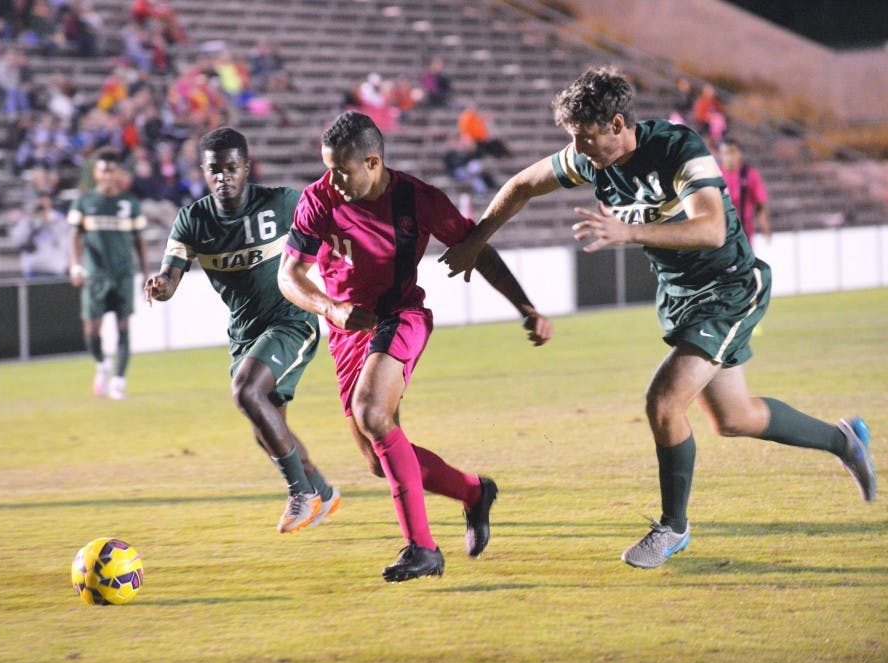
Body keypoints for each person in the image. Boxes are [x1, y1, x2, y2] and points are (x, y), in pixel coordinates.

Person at [439, 66, 876, 569]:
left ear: (618, 124)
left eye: (585, 139)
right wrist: (477, 240)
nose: (578, 151)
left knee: (664, 402)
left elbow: (711, 228)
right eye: (573, 140)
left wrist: (629, 234)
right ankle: (844, 440)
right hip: (682, 295)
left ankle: (673, 528)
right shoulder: (592, 159)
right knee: (734, 418)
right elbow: (521, 184)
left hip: (728, 286)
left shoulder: (677, 149)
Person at [277, 110, 552, 582]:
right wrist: (332, 310)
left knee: (371, 412)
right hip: (346, 331)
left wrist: (525, 307)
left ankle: (422, 549)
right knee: (378, 460)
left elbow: (477, 249)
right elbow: (290, 276)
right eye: (328, 169)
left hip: (400, 317)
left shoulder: (417, 199)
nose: (333, 180)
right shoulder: (318, 199)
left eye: (343, 170)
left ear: (373, 161)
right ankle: (473, 493)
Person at [144, 127, 341, 534]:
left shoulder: (282, 202)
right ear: (203, 171)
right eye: (214, 169)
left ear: (246, 167)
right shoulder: (192, 220)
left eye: (231, 168)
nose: (223, 177)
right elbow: (170, 277)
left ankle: (300, 493)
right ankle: (323, 491)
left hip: (291, 321)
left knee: (246, 392)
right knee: (266, 430)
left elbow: (332, 220)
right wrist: (159, 286)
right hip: (245, 334)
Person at [68, 149, 149, 400]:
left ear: (118, 174)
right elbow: (74, 237)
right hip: (95, 275)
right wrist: (75, 266)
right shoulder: (84, 202)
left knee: (124, 327)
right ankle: (101, 363)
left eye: (111, 171)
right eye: (103, 170)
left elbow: (139, 240)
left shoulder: (130, 203)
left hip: (123, 274)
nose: (107, 175)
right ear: (96, 173)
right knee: (91, 331)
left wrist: (146, 274)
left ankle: (119, 381)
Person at [718, 138, 771, 247]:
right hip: (720, 233)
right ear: (720, 155)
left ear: (739, 153)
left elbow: (760, 205)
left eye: (732, 152)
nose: (729, 157)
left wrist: (765, 227)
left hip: (744, 232)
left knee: (744, 262)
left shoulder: (750, 174)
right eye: (725, 153)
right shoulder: (715, 175)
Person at [11, 194, 69, 278]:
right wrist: (31, 221)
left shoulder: (58, 219)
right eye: (41, 205)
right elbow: (17, 239)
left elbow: (65, 241)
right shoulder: (29, 220)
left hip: (55, 266)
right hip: (34, 266)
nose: (43, 208)